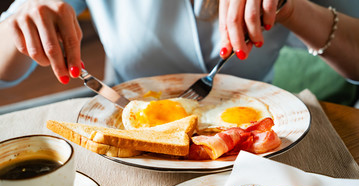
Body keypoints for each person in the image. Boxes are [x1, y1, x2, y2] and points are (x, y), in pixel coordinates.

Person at [0, 0, 358, 89]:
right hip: (127, 146)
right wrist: (22, 17)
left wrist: (294, 9)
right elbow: (5, 74)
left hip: (256, 150)